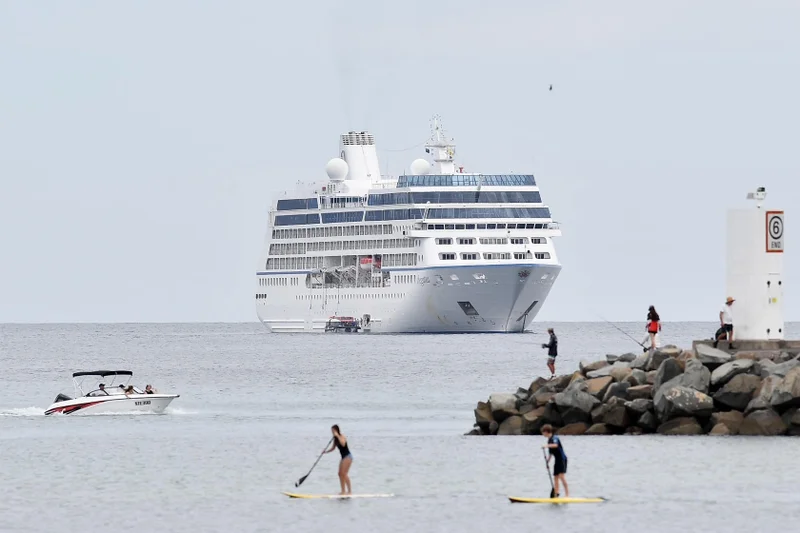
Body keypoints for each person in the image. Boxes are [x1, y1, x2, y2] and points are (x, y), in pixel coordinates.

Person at [541, 424, 569, 498]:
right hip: (557, 460)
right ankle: (556, 494)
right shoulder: (549, 440)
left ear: (546, 432)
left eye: (543, 432)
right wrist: (547, 462)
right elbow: (550, 453)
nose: (542, 434)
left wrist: (547, 446)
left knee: (561, 476)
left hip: (562, 459)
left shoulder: (555, 437)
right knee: (555, 477)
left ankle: (567, 495)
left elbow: (555, 445)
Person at [324, 424, 352, 494]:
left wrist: (337, 436)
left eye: (333, 431)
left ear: (337, 430)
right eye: (332, 431)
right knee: (340, 473)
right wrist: (325, 452)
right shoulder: (335, 439)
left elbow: (343, 444)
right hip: (343, 457)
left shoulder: (342, 436)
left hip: (348, 456)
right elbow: (333, 448)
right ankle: (343, 491)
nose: (332, 432)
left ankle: (349, 491)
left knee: (344, 474)